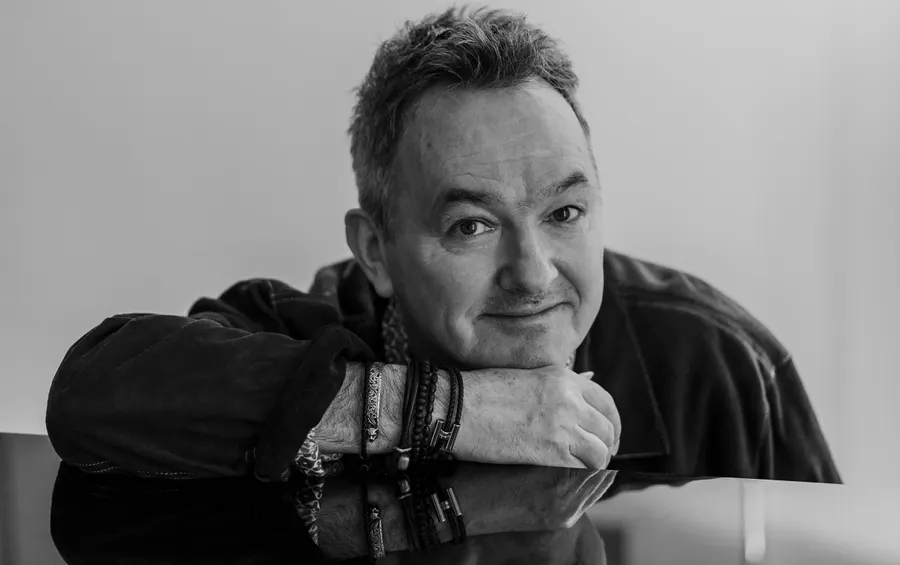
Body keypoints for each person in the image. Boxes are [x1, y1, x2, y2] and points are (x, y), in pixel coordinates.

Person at [45, 6, 840, 484]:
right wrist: (445, 411)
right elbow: (91, 394)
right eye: (472, 226)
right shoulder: (307, 322)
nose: (533, 273)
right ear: (377, 252)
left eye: (565, 211)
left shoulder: (724, 361)